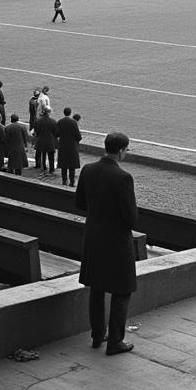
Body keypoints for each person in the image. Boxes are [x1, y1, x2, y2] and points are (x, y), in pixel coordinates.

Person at [75, 131, 138, 355]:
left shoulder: (88, 170)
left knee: (97, 288)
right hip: (117, 241)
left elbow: (80, 202)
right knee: (122, 290)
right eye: (127, 149)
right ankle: (115, 341)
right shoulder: (123, 177)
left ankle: (97, 335)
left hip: (94, 237)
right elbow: (131, 217)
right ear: (121, 151)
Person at [56, 106, 82, 187]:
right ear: (70, 113)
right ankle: (72, 182)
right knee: (72, 165)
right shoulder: (73, 122)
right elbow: (78, 136)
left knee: (63, 164)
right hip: (72, 146)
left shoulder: (60, 122)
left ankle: (64, 180)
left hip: (63, 145)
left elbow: (57, 133)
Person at [33, 105, 58, 176]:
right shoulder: (53, 121)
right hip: (50, 141)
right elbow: (56, 132)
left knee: (43, 155)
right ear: (49, 113)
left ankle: (43, 168)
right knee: (51, 156)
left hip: (41, 140)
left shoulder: (38, 121)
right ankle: (51, 169)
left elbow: (36, 131)